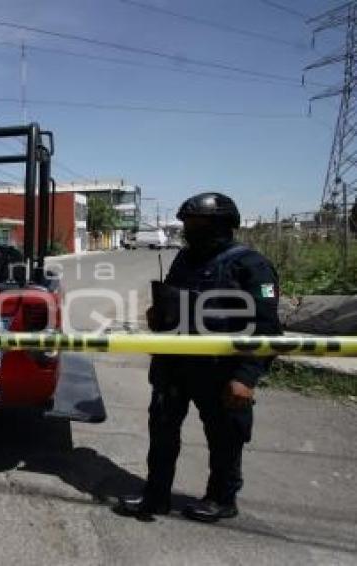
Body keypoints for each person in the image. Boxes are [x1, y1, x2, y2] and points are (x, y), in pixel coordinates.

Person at [117, 192, 281, 523]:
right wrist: (158, 314)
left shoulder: (251, 265)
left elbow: (266, 328)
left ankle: (222, 499)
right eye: (187, 223)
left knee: (224, 439)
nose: (189, 230)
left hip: (220, 371)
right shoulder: (184, 259)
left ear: (221, 225)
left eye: (197, 223)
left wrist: (246, 377)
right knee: (162, 433)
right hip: (175, 366)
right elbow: (175, 302)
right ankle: (156, 496)